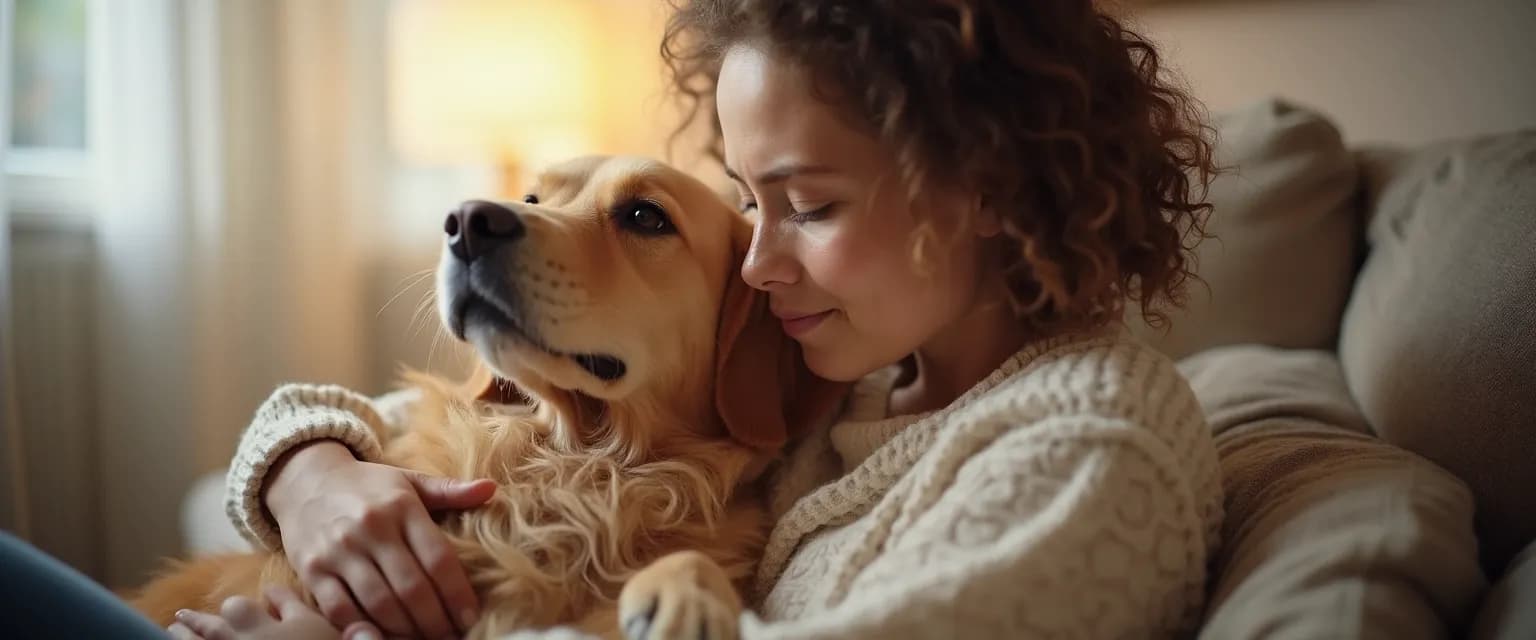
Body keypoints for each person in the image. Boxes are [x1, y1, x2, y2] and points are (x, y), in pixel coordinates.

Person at [194, 1, 1223, 637]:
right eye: (747, 198)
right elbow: (369, 423)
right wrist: (308, 473)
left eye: (811, 206)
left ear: (990, 186)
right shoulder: (852, 371)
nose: (760, 262)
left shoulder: (1090, 444)